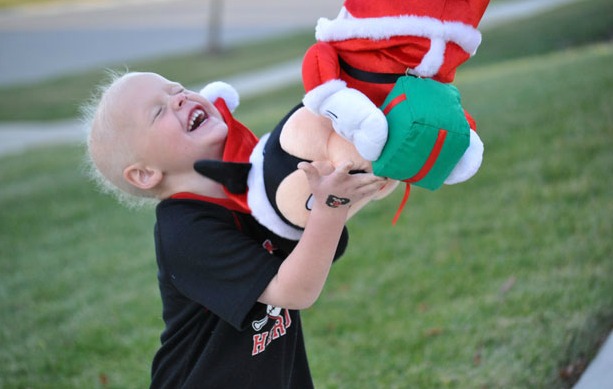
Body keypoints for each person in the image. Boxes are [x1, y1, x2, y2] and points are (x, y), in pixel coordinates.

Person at [84, 71, 388, 388]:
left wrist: (324, 188)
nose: (180, 97)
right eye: (159, 111)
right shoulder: (185, 232)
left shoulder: (250, 192)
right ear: (145, 174)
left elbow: (320, 249)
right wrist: (330, 206)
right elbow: (296, 290)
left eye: (179, 88)